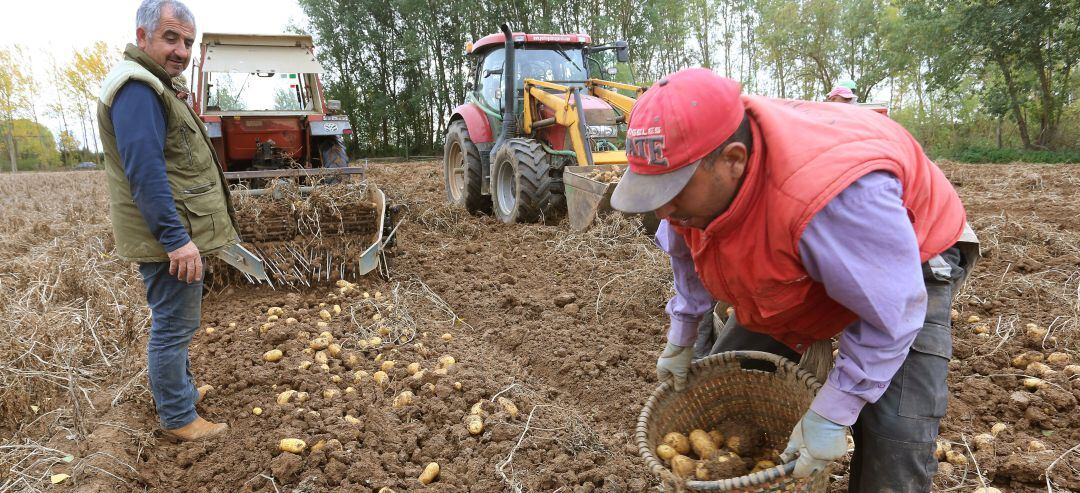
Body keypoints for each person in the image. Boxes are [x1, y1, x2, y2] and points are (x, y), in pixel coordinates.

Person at [612, 68, 978, 491]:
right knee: (737, 384)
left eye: (672, 192)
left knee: (893, 445)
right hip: (798, 248)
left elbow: (893, 312)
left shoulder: (834, 198)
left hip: (910, 257)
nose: (662, 210)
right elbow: (688, 257)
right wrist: (682, 335)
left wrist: (834, 409)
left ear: (733, 160)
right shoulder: (687, 200)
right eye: (654, 193)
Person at [97, 0, 239, 441]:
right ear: (143, 38)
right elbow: (146, 171)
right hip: (166, 236)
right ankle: (178, 417)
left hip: (168, 230)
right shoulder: (139, 89)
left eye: (188, 42)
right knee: (173, 326)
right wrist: (176, 239)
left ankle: (181, 391)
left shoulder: (154, 85)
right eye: (171, 38)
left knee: (178, 320)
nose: (181, 50)